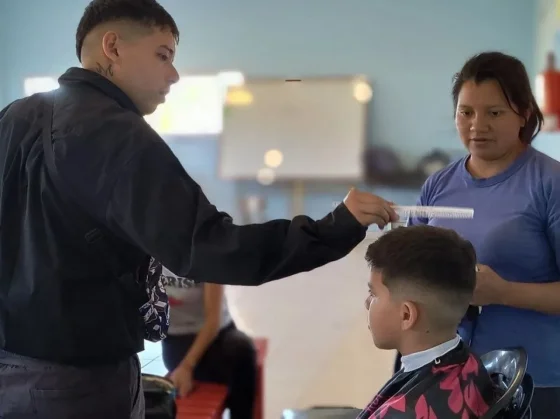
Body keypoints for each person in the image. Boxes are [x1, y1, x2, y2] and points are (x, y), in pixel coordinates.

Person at [0, 1, 399, 418]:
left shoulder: (13, 117)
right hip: (77, 382)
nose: (172, 74)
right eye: (163, 55)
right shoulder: (118, 134)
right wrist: (337, 226)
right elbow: (209, 246)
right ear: (113, 46)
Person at [409, 51, 560, 417]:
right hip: (447, 381)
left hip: (536, 385)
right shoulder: (438, 186)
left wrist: (504, 292)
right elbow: (409, 273)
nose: (478, 125)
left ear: (524, 113)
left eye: (494, 113)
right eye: (466, 112)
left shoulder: (550, 183)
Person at [358, 225, 496, 418]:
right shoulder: (469, 364)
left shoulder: (404, 412)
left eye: (373, 293)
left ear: (406, 315)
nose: (367, 303)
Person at [161, 268, 257, 419]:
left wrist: (187, 366)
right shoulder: (150, 255)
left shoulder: (206, 254)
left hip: (217, 333)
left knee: (243, 353)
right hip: (178, 338)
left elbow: (213, 322)